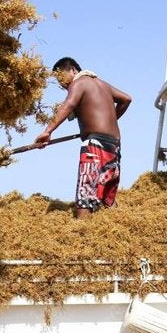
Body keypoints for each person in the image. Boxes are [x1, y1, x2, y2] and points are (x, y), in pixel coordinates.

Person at [34, 57, 131, 218]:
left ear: (73, 70)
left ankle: (81, 231)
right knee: (107, 196)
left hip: (95, 145)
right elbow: (126, 99)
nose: (63, 84)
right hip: (114, 146)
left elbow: (69, 104)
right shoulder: (102, 84)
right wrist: (108, 120)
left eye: (62, 78)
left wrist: (48, 131)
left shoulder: (79, 83)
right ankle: (118, 225)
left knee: (85, 192)